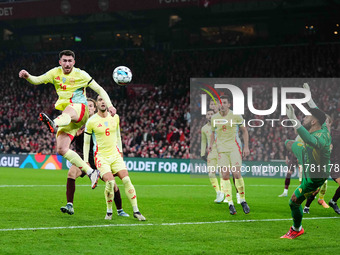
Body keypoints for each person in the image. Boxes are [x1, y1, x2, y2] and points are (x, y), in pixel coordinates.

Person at [18, 50, 116, 189]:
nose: (67, 63)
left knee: (69, 109)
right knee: (62, 148)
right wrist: (27, 76)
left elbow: (100, 90)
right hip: (68, 118)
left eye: (70, 61)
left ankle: (54, 123)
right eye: (64, 61)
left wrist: (110, 105)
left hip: (81, 110)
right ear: (60, 62)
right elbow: (37, 80)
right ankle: (91, 172)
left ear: (74, 62)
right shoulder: (54, 73)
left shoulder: (81, 74)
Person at [60, 98, 129, 217]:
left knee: (112, 183)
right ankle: (69, 205)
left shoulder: (98, 121)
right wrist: (75, 135)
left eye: (91, 105)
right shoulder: (77, 123)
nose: (89, 107)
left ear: (95, 108)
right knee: (71, 173)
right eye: (86, 106)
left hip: (99, 156)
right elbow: (67, 142)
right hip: (82, 156)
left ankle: (120, 210)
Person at [281, 83, 331, 239]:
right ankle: (300, 159)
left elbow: (309, 139)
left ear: (314, 122)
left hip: (314, 177)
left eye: (307, 117)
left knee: (293, 202)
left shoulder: (322, 138)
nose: (304, 117)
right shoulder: (321, 125)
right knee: (287, 143)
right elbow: (318, 114)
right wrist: (309, 99)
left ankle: (297, 229)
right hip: (305, 154)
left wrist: (294, 119)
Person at [84, 95, 146, 221]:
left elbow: (118, 137)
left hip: (116, 155)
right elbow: (86, 143)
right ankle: (109, 211)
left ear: (108, 103)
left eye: (104, 100)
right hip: (101, 157)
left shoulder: (115, 117)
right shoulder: (91, 121)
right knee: (111, 183)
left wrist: (121, 151)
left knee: (127, 180)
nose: (102, 102)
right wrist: (86, 161)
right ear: (96, 104)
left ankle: (136, 211)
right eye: (100, 100)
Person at [208, 95, 250, 215]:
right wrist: (210, 145)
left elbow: (244, 131)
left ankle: (242, 200)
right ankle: (230, 203)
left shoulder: (236, 115)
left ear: (229, 104)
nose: (222, 105)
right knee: (225, 175)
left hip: (234, 148)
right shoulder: (214, 118)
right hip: (221, 150)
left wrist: (246, 147)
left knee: (236, 173)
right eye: (220, 103)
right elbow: (212, 132)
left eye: (224, 102)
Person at [201, 108, 224, 203]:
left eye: (211, 114)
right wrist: (202, 153)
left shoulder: (219, 125)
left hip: (221, 152)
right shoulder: (204, 128)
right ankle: (218, 192)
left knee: (222, 174)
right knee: (211, 174)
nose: (210, 115)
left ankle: (223, 193)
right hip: (211, 153)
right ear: (206, 116)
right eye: (208, 114)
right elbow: (203, 141)